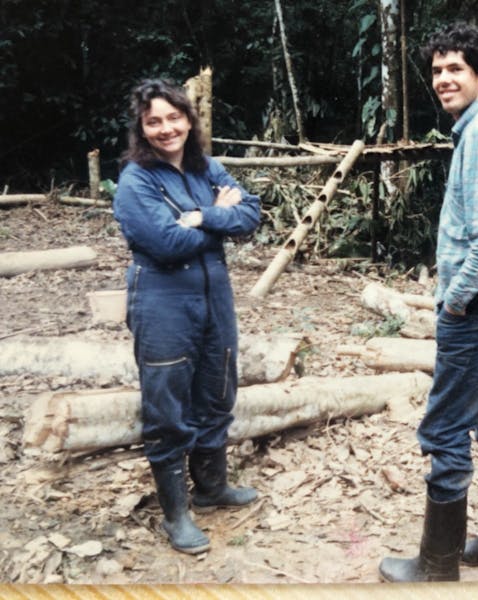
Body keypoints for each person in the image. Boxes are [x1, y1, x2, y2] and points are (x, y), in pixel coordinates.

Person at [379, 23, 478, 582]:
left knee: (445, 428)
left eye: (456, 69)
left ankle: (437, 564)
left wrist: (454, 302)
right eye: (437, 70)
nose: (444, 79)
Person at [113, 78, 261, 554]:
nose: (165, 128)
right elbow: (164, 242)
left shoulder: (207, 167)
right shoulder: (136, 180)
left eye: (173, 117)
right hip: (162, 300)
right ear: (141, 127)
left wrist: (199, 218)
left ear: (189, 119)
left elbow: (251, 215)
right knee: (168, 404)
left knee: (218, 389)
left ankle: (213, 487)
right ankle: (176, 515)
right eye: (153, 121)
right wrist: (217, 215)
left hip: (214, 296)